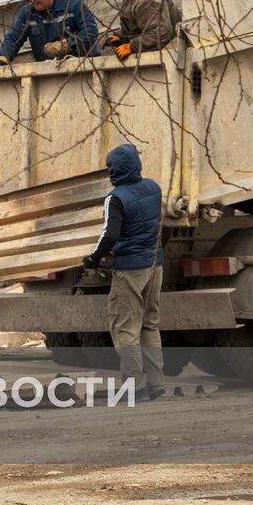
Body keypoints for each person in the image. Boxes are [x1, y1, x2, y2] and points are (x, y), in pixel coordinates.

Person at [83, 143, 167, 402]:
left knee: (126, 329)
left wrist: (92, 258)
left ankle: (135, 387)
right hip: (155, 265)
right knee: (149, 324)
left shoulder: (115, 198)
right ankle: (156, 382)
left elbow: (110, 235)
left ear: (115, 169)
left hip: (130, 270)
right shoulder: (154, 188)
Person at [0, 0, 99, 66]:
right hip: (49, 71)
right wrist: (3, 56)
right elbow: (14, 37)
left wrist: (66, 45)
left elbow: (91, 31)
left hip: (83, 66)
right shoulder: (27, 13)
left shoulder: (73, 5)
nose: (34, 2)